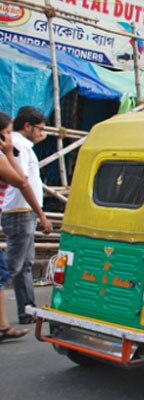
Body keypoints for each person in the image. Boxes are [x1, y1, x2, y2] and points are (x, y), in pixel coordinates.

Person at [0, 112, 51, 342]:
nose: (43, 133)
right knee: (10, 267)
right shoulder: (16, 147)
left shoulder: (20, 147)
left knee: (21, 265)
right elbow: (21, 181)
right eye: (40, 128)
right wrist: (41, 215)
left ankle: (26, 310)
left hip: (22, 212)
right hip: (20, 212)